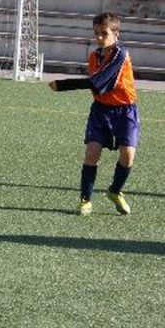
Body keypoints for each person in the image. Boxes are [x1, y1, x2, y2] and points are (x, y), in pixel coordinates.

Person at [48, 11, 139, 216]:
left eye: (104, 33)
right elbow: (98, 90)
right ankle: (85, 200)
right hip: (100, 111)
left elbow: (98, 83)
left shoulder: (121, 55)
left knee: (128, 156)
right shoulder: (93, 57)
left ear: (116, 34)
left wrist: (63, 85)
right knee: (92, 153)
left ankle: (115, 191)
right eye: (96, 33)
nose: (99, 38)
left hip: (126, 111)